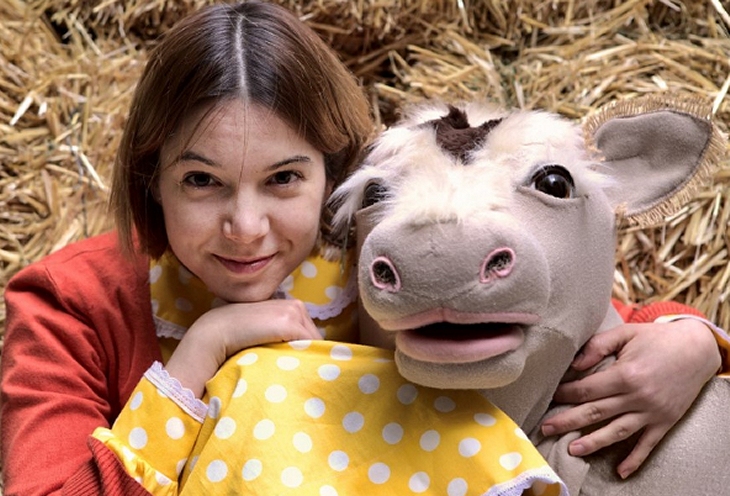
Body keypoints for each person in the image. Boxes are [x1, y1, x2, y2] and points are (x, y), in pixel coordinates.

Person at [1, 1, 728, 495]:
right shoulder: (72, 302)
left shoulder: (367, 262)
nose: (247, 227)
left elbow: (568, 316)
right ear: (150, 180)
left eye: (284, 178)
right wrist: (201, 355)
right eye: (202, 182)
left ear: (334, 172)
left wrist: (693, 340)